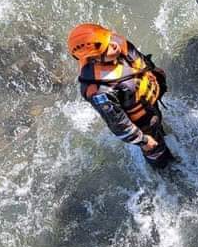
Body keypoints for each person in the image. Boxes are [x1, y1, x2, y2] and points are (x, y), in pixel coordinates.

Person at [68, 23, 173, 168]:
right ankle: (166, 171)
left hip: (147, 102)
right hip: (142, 121)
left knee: (160, 129)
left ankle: (161, 135)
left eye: (109, 39)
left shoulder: (115, 43)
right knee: (158, 154)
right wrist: (142, 140)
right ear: (94, 58)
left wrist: (155, 72)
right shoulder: (99, 89)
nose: (114, 45)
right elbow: (117, 123)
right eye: (108, 47)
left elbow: (139, 61)